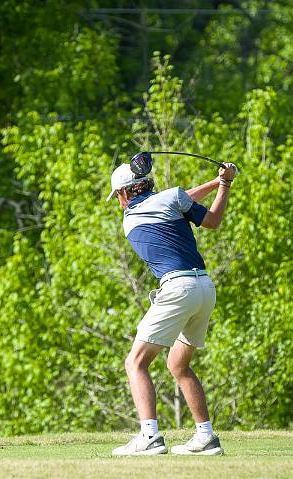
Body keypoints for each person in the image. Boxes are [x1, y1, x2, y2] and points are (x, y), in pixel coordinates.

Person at [107, 158, 236, 456]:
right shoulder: (171, 198)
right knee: (178, 364)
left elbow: (177, 198)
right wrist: (222, 184)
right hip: (204, 287)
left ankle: (149, 436)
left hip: (177, 289)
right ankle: (206, 437)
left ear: (126, 193)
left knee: (136, 362)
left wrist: (218, 182)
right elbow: (206, 216)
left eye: (118, 196)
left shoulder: (131, 219)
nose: (118, 203)